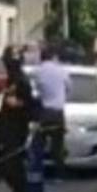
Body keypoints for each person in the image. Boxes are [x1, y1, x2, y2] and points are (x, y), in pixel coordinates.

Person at [0, 44, 38, 192]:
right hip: (7, 128)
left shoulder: (22, 81)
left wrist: (17, 104)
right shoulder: (12, 80)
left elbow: (30, 106)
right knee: (7, 168)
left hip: (17, 130)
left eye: (7, 63)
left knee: (14, 169)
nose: (5, 66)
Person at [34, 44, 70, 181]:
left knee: (39, 143)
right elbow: (69, 86)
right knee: (58, 145)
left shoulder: (39, 71)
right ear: (54, 57)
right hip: (58, 112)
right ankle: (59, 175)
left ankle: (37, 172)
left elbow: (38, 88)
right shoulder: (61, 70)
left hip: (44, 112)